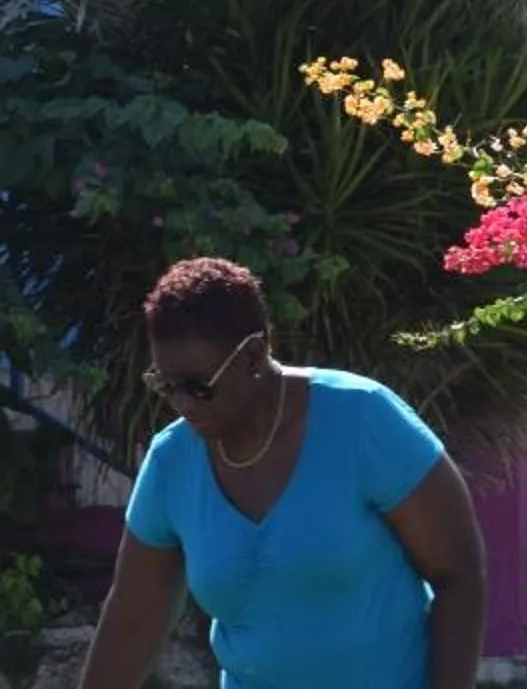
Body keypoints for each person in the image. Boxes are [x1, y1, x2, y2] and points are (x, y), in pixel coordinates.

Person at [77, 255, 487, 689]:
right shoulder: (172, 463)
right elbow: (132, 623)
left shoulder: (362, 419)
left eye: (198, 387)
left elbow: (458, 573)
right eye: (167, 385)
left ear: (253, 356)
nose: (183, 404)